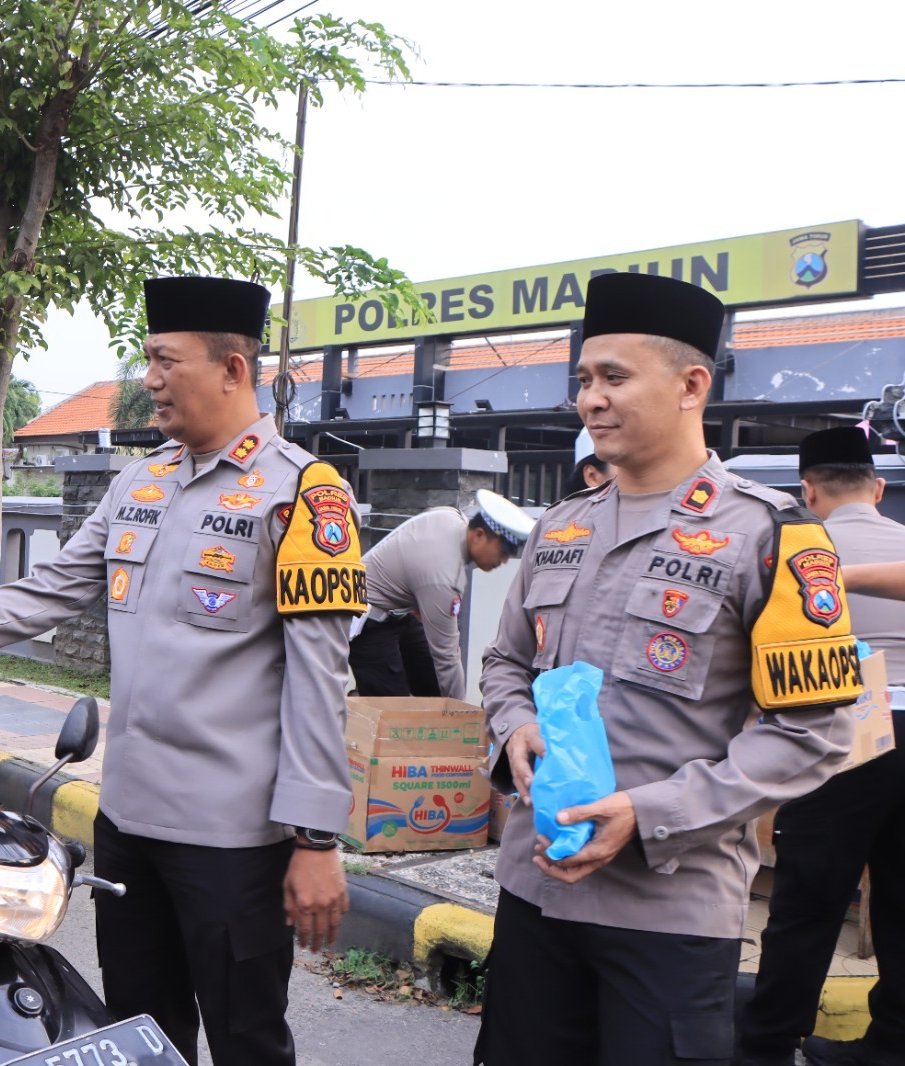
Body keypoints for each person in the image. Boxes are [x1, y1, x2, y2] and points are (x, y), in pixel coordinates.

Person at [0, 276, 367, 1066]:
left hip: (233, 842)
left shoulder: (303, 495)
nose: (150, 381)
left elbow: (319, 679)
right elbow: (50, 589)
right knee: (137, 1030)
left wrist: (315, 837)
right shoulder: (140, 482)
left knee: (247, 1038)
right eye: (147, 361)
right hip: (129, 826)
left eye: (166, 361)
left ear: (234, 370)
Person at [474, 271, 860, 1066]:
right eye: (584, 379)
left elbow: (814, 733)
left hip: (669, 913)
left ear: (692, 384)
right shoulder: (560, 525)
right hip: (534, 894)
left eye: (614, 377)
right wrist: (513, 729)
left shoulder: (772, 535)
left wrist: (649, 812)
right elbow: (506, 659)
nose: (590, 399)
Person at [738, 426, 905, 1066]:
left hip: (842, 737)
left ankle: (768, 1043)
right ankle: (891, 1047)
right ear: (879, 488)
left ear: (807, 491)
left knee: (808, 901)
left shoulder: (796, 556)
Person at [348, 490, 532, 700]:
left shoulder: (451, 516)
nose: (504, 561)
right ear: (479, 535)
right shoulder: (444, 576)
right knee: (392, 709)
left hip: (398, 612)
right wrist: (459, 717)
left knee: (432, 682)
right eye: (503, 551)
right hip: (368, 620)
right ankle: (357, 703)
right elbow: (447, 657)